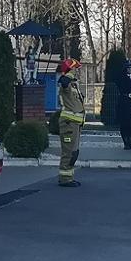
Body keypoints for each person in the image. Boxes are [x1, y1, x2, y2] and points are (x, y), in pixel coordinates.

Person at [55, 58, 85, 186]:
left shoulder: (74, 84)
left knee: (74, 152)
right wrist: (69, 72)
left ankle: (69, 177)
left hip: (75, 124)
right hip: (68, 123)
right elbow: (63, 81)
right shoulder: (66, 82)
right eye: (75, 68)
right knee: (68, 152)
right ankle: (65, 179)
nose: (77, 71)